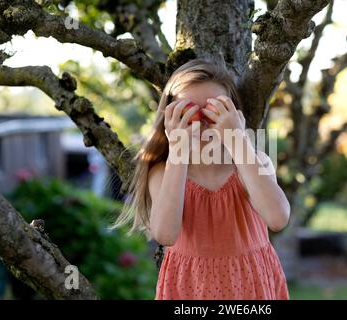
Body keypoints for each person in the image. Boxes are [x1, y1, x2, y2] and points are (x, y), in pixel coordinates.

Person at [112, 58, 290, 300]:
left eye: (215, 110)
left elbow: (278, 217)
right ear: (170, 117)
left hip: (251, 284)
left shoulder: (252, 163)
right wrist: (178, 150)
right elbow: (165, 234)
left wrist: (238, 140)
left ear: (235, 115)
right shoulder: (164, 172)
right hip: (191, 287)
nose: (203, 122)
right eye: (189, 112)